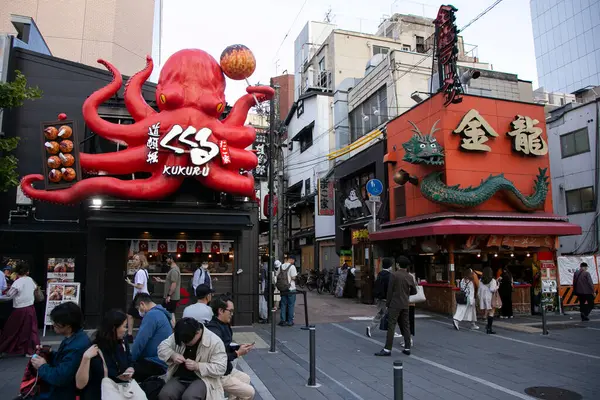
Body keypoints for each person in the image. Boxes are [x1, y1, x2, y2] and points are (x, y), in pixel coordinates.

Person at [30, 302, 91, 399]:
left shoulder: (76, 347)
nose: (53, 324)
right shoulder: (74, 338)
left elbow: (61, 378)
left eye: (56, 321)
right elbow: (64, 361)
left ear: (68, 324)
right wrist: (50, 353)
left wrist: (42, 366)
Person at [157, 317, 227, 400]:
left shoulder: (214, 341)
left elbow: (221, 368)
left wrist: (198, 366)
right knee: (165, 394)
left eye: (187, 342)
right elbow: (162, 347)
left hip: (203, 379)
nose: (184, 343)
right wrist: (173, 355)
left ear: (198, 332)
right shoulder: (181, 333)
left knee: (190, 397)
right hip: (180, 376)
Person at [75, 310, 135, 400]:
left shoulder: (122, 342)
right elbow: (81, 383)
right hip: (101, 393)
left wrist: (130, 368)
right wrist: (86, 358)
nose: (126, 330)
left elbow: (129, 359)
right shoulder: (94, 349)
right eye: (124, 326)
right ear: (114, 328)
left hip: (122, 391)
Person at [206, 296, 255, 400]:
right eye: (230, 311)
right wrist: (237, 353)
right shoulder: (214, 330)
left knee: (245, 378)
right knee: (249, 392)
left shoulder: (224, 325)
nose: (232, 314)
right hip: (219, 375)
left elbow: (226, 347)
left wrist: (238, 347)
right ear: (220, 311)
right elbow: (217, 357)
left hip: (227, 369)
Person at [375, 256, 416, 357]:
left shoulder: (394, 275)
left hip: (394, 304)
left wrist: (388, 303)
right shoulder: (410, 276)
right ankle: (407, 347)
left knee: (391, 325)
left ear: (398, 265)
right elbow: (414, 291)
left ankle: (387, 349)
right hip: (405, 304)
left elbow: (390, 291)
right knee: (406, 325)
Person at [130, 292, 173, 382]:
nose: (139, 312)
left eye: (138, 308)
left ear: (142, 304)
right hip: (163, 361)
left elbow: (140, 341)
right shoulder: (162, 314)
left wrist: (130, 360)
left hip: (154, 362)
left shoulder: (151, 315)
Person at [0, 261, 40, 357]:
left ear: (17, 272)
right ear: (28, 272)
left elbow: (9, 296)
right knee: (30, 330)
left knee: (11, 330)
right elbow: (34, 289)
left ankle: (4, 348)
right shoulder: (30, 280)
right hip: (30, 307)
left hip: (20, 309)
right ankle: (30, 350)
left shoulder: (17, 282)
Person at [125, 252, 150, 343]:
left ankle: (131, 335)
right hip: (143, 297)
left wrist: (130, 283)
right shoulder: (144, 271)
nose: (134, 261)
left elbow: (140, 286)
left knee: (138, 316)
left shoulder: (139, 272)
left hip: (140, 297)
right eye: (133, 259)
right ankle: (130, 335)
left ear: (141, 261)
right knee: (131, 315)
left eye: (136, 259)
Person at [366, 258, 392, 338]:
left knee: (381, 313)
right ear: (390, 266)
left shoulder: (379, 274)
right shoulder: (389, 276)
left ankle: (371, 327)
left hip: (379, 298)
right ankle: (391, 332)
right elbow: (390, 288)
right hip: (386, 299)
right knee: (390, 315)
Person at [155, 254, 181, 327]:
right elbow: (170, 282)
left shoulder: (174, 271)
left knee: (169, 313)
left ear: (171, 259)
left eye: (167, 259)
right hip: (171, 297)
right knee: (170, 313)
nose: (166, 260)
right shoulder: (173, 269)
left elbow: (174, 284)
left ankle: (174, 331)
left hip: (171, 297)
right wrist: (161, 281)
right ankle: (173, 330)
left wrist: (169, 295)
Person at [277, 256, 297, 327]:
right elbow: (293, 277)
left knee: (283, 304)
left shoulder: (281, 266)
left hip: (282, 288)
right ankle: (290, 321)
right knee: (291, 305)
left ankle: (283, 320)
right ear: (291, 259)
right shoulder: (292, 267)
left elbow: (277, 276)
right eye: (293, 260)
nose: (293, 262)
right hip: (291, 288)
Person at [478, 267, 498, 334]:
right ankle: (489, 328)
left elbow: (479, 290)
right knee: (491, 312)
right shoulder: (492, 280)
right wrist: (497, 286)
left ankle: (488, 326)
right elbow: (492, 289)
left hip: (483, 297)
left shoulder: (480, 280)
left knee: (488, 311)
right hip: (490, 297)